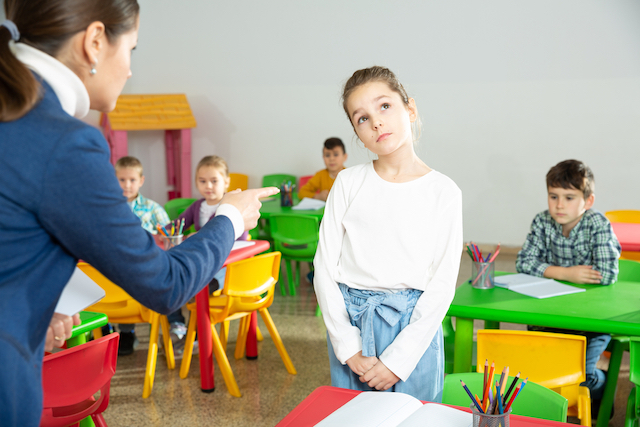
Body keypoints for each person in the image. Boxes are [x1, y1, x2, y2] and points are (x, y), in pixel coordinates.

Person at [0, 2, 277, 425]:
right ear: (95, 41)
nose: (129, 70)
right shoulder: (64, 141)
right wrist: (231, 217)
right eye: (131, 49)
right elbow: (165, 283)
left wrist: (46, 295)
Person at [314, 66, 463, 402]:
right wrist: (348, 347)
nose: (376, 122)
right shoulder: (347, 183)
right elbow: (323, 268)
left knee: (415, 419)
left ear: (410, 108)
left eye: (384, 106)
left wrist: (398, 360)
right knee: (354, 419)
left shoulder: (443, 191)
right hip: (353, 325)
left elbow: (442, 284)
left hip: (414, 331)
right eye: (362, 118)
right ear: (357, 131)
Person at [516, 159, 620, 411]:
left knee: (583, 377)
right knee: (541, 372)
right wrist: (566, 273)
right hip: (548, 315)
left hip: (591, 322)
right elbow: (523, 262)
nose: (559, 205)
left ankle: (602, 389)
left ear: (588, 201)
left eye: (569, 198)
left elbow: (607, 273)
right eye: (553, 196)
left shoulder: (597, 224)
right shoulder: (542, 221)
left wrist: (548, 271)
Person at [167, 155, 249, 352]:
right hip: (201, 261)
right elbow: (177, 225)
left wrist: (202, 235)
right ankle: (178, 324)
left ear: (226, 182)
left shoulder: (231, 206)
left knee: (202, 283)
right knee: (171, 279)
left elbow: (242, 236)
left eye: (214, 181)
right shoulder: (198, 206)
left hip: (225, 264)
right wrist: (166, 231)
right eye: (202, 181)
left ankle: (195, 333)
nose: (208, 186)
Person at [114, 156, 172, 354]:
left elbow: (168, 236)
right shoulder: (109, 208)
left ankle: (173, 326)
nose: (127, 185)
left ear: (141, 181)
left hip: (148, 264)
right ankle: (124, 331)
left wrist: (162, 236)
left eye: (132, 180)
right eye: (122, 180)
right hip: (119, 264)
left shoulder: (153, 208)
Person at [298, 137, 348, 201]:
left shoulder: (349, 175)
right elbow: (302, 193)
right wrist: (317, 196)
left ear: (345, 157)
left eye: (336, 154)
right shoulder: (320, 175)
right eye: (327, 155)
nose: (331, 159)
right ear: (323, 157)